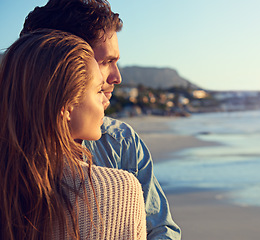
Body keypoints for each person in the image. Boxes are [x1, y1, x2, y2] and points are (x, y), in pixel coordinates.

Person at [21, 1, 181, 239]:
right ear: (59, 68)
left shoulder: (121, 142)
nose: (117, 77)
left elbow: (161, 230)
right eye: (106, 62)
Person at [0, 30, 147, 240]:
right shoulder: (120, 190)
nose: (105, 101)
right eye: (98, 91)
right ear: (66, 106)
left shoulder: (10, 188)